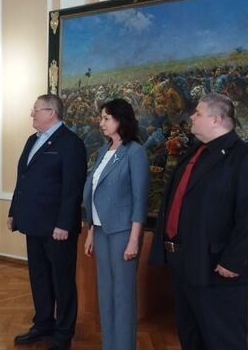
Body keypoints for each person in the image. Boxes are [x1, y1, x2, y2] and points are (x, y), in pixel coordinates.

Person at [149, 93, 248, 350]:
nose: (191, 117)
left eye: (198, 113)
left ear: (216, 119)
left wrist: (233, 259)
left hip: (217, 269)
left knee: (223, 341)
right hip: (184, 263)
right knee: (190, 337)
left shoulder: (245, 157)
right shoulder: (195, 153)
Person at [9, 94, 87, 350]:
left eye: (36, 110)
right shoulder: (32, 140)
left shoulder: (71, 143)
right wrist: (14, 211)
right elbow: (23, 179)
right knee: (39, 277)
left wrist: (64, 224)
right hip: (32, 223)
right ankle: (43, 324)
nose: (32, 114)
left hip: (57, 228)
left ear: (51, 112)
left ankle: (63, 333)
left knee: (62, 281)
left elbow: (73, 189)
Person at [82, 98, 149, 350]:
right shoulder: (104, 151)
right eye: (101, 118)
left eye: (106, 118)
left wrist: (134, 240)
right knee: (105, 293)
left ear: (121, 120)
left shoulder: (135, 152)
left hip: (123, 233)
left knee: (122, 295)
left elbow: (139, 199)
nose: (101, 123)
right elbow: (95, 194)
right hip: (101, 231)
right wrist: (91, 232)